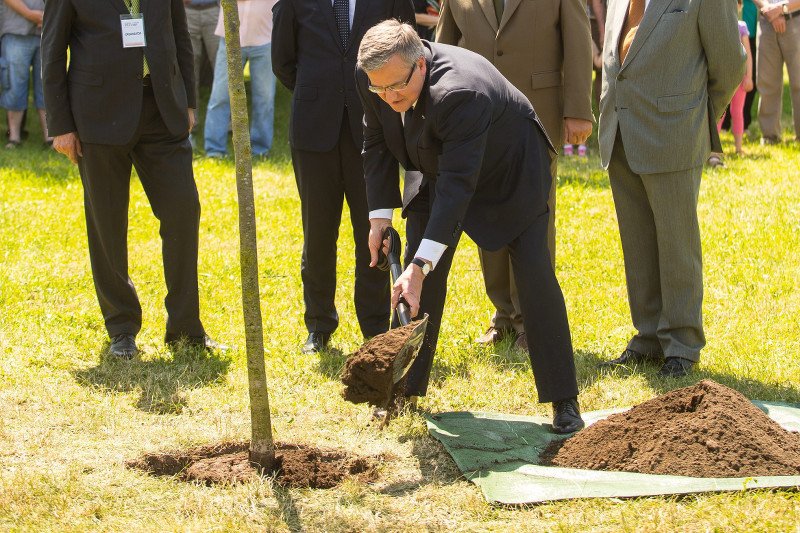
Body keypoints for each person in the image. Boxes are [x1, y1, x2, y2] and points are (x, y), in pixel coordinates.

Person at [357, 20, 584, 434]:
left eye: (396, 88)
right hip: (435, 163)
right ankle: (401, 390)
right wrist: (380, 218)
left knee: (533, 275)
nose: (388, 97)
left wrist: (420, 264)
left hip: (510, 170)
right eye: (379, 89)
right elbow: (375, 141)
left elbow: (458, 188)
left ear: (420, 64)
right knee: (417, 281)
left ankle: (564, 400)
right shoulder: (376, 76)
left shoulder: (461, 91)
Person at [42, 0, 223, 358]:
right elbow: (52, 51)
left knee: (183, 212)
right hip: (97, 113)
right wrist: (61, 124)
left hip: (162, 110)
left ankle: (185, 327)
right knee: (107, 224)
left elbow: (179, 35)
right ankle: (121, 328)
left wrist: (188, 100)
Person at [597, 0, 745, 376]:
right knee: (638, 241)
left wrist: (698, 113)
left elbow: (730, 63)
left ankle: (681, 343)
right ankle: (648, 337)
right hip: (620, 131)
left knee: (677, 243)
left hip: (674, 132)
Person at [436, 0, 593, 351]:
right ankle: (504, 315)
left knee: (532, 218)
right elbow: (442, 49)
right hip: (474, 117)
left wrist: (578, 108)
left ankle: (532, 320)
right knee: (486, 215)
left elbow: (578, 40)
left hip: (537, 115)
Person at [272, 0, 414, 354]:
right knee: (318, 233)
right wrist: (319, 93)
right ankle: (319, 325)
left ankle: (375, 327)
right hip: (313, 130)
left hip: (372, 132)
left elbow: (408, 47)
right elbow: (282, 61)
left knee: (374, 230)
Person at [204, 0, 277, 158]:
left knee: (265, 99)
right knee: (220, 96)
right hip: (229, 37)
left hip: (266, 38)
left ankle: (260, 150)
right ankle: (214, 150)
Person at [1, 0, 51, 149]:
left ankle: (51, 139)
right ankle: (14, 138)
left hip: (47, 32)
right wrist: (30, 15)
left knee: (47, 85)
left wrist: (49, 18)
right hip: (15, 30)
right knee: (15, 85)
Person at [710, 12, 754, 167]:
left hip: (740, 79)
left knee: (737, 112)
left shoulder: (741, 27)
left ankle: (738, 147)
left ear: (740, 6)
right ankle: (714, 150)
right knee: (719, 113)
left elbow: (748, 55)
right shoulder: (718, 26)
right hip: (723, 79)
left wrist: (749, 76)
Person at [753, 0, 800, 144]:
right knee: (767, 82)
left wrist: (781, 9)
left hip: (796, 18)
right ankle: (770, 136)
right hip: (766, 22)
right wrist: (768, 10)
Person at [184, 0, 220, 145]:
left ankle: (228, 123)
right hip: (187, 11)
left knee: (222, 70)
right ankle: (191, 123)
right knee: (189, 71)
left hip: (214, 10)